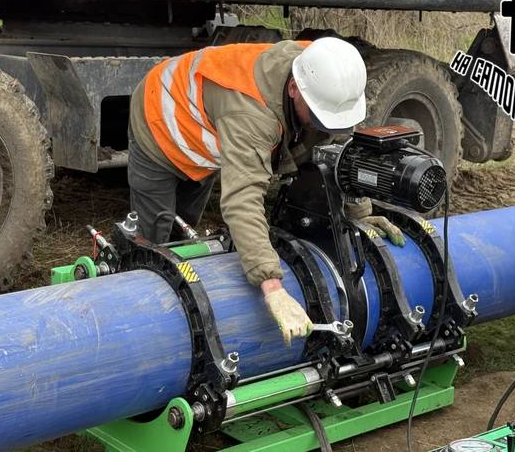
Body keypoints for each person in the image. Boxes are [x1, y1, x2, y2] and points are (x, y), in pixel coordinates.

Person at [127, 37, 405, 345]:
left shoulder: (327, 73)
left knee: (185, 229)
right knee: (155, 239)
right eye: (318, 117)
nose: (323, 126)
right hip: (158, 121)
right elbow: (242, 200)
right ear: (293, 88)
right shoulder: (250, 113)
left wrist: (359, 212)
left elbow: (337, 150)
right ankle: (140, 321)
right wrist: (271, 285)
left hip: (207, 137)